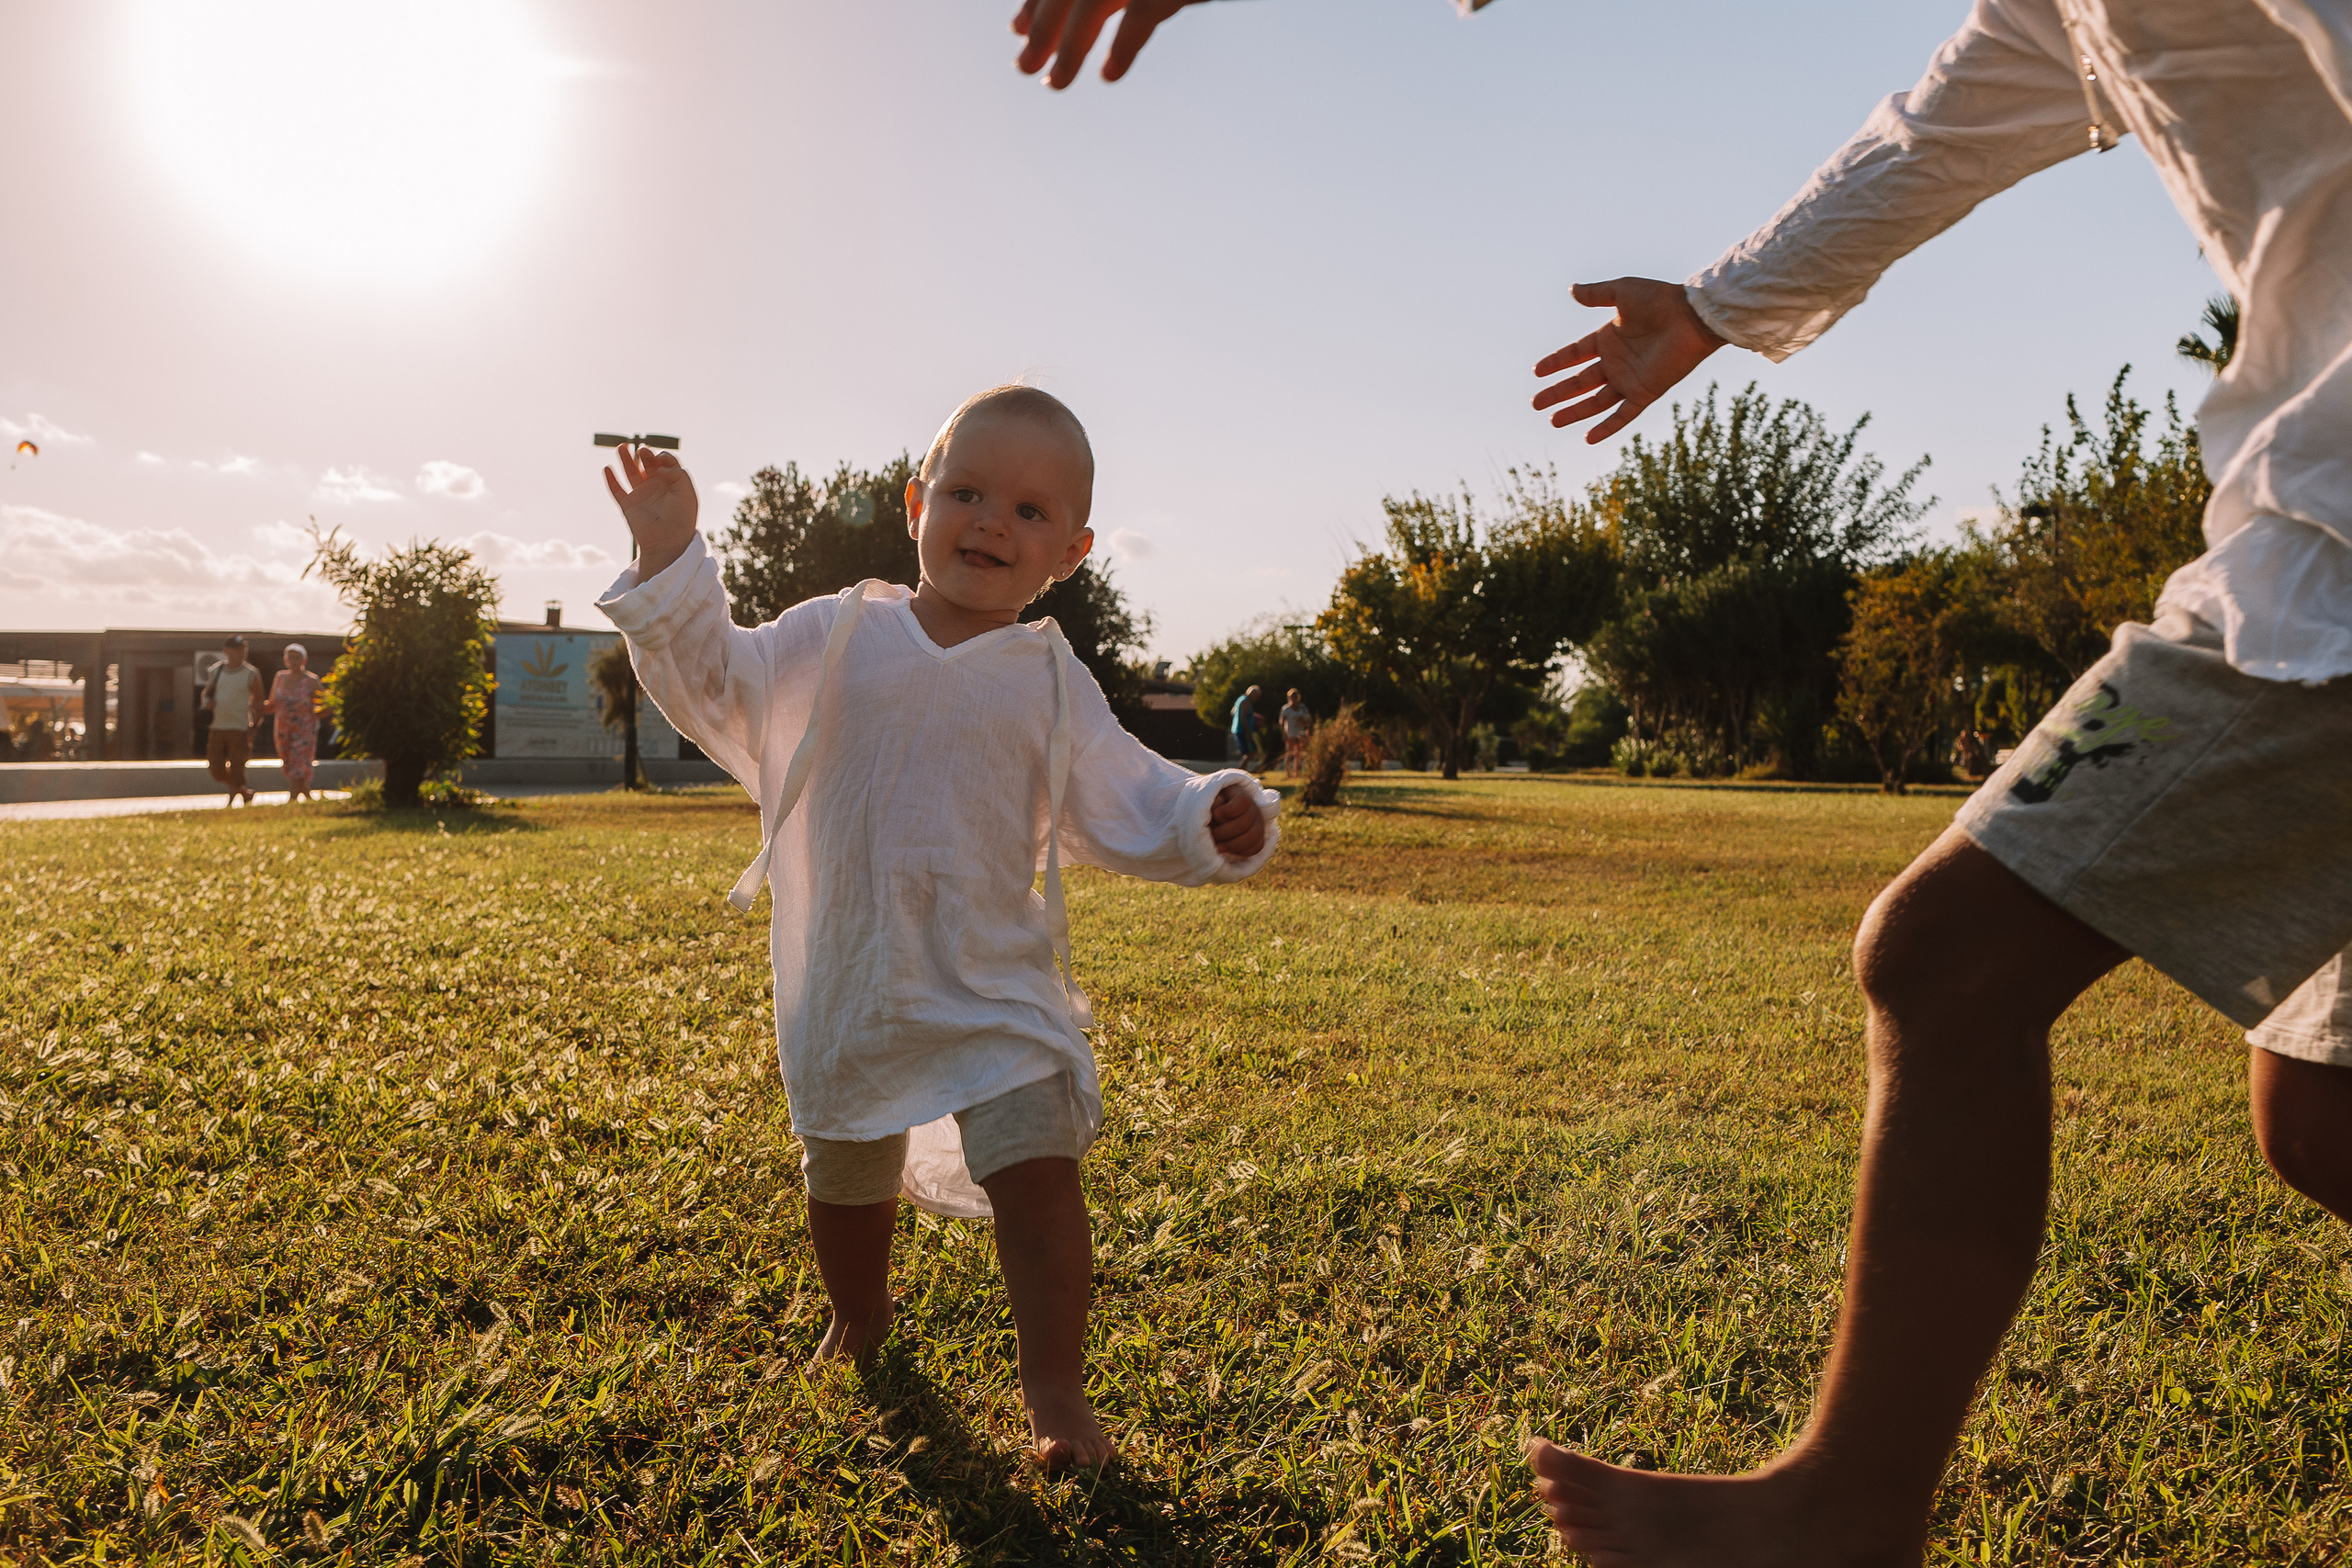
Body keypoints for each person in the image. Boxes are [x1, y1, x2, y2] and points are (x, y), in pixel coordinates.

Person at [1017, 1, 2352, 1559]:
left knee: (1948, 956)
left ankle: (1847, 1512)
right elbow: (1931, 138)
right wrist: (1720, 305)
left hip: (2323, 561)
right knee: (2320, 1115)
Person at [594, 386, 1279, 1472]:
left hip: (993, 982)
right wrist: (675, 558)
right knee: (846, 1180)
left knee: (1041, 1173)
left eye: (1029, 510)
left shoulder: (1051, 681)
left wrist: (1212, 813)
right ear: (915, 501)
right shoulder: (833, 634)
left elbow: (1132, 795)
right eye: (965, 492)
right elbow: (711, 683)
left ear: (1072, 550)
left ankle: (1057, 1395)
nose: (991, 522)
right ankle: (858, 1317)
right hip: (852, 975)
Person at [200, 635, 262, 807]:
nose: (241, 653)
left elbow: (258, 700)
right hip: (217, 725)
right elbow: (207, 692)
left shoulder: (251, 673)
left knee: (237, 766)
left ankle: (232, 801)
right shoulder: (216, 670)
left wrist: (254, 726)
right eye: (237, 649)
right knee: (216, 767)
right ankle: (244, 792)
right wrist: (207, 702)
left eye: (244, 649)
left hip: (240, 726)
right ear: (226, 651)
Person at [265, 643, 325, 803]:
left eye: (297, 657)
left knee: (299, 762)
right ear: (285, 660)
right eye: (290, 657)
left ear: (304, 659)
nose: (293, 661)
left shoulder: (312, 681)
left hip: (304, 729)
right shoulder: (280, 677)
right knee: (288, 763)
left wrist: (311, 713)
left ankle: (291, 799)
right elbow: (271, 704)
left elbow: (326, 705)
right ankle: (307, 796)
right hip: (283, 728)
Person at [1278, 687, 1313, 773]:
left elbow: (1308, 719)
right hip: (1290, 732)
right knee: (1289, 752)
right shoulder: (1286, 709)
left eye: (1295, 697)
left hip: (1300, 733)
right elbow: (1281, 721)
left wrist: (1306, 725)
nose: (1294, 699)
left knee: (1298, 753)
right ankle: (1288, 772)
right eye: (1292, 697)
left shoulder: (1302, 708)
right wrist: (1283, 733)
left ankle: (1296, 772)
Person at [1228, 682, 1261, 771]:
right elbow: (1242, 717)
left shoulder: (1241, 699)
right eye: (1257, 695)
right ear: (1253, 693)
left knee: (1249, 752)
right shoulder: (1246, 701)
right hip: (1242, 731)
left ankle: (1242, 772)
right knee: (1251, 752)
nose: (1257, 698)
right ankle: (1240, 772)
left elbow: (1233, 713)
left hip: (1237, 729)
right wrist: (1247, 732)